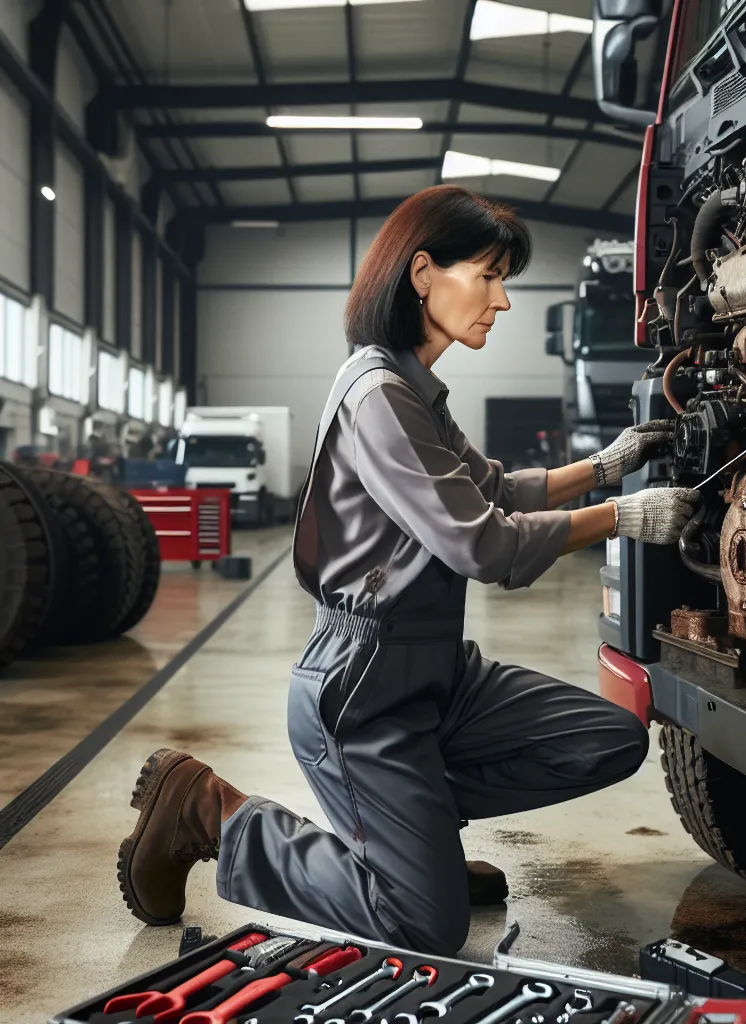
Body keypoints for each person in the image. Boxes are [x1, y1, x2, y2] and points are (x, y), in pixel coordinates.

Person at [116, 186, 701, 956]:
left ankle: (410, 836)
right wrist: (625, 515)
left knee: (608, 739)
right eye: (490, 276)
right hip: (363, 695)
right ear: (423, 273)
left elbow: (491, 489)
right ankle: (209, 812)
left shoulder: (413, 387)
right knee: (424, 923)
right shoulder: (379, 394)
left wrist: (604, 465)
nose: (503, 301)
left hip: (437, 677)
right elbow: (484, 545)